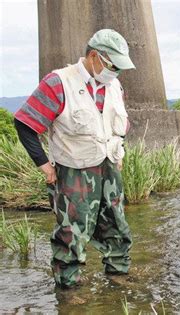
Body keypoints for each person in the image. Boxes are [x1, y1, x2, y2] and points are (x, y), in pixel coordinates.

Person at [14, 29, 135, 288]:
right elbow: (25, 124)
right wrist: (45, 166)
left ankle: (118, 276)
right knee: (72, 232)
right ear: (95, 57)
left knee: (117, 223)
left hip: (110, 166)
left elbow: (120, 123)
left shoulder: (115, 85)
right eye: (114, 66)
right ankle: (69, 291)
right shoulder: (58, 82)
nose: (117, 73)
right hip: (74, 170)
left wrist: (119, 150)